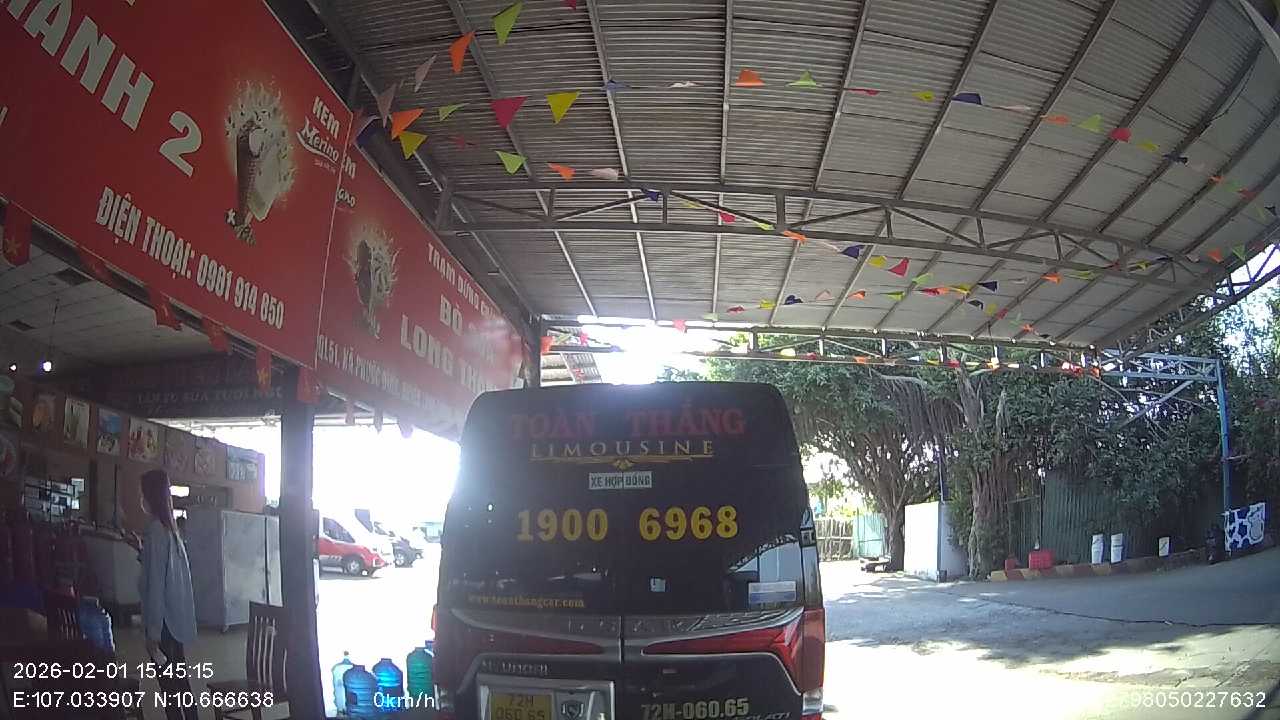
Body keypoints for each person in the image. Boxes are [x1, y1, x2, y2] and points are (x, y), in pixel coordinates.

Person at [138, 469, 199, 720]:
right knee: (181, 685)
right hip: (175, 622)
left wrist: (152, 633)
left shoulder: (155, 531)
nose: (140, 498)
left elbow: (155, 586)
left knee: (170, 691)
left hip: (162, 625)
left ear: (150, 496)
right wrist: (143, 553)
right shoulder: (171, 531)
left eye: (142, 493)